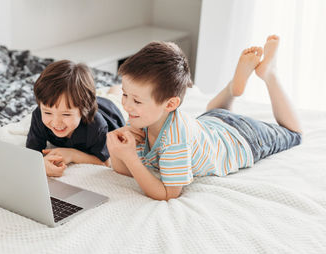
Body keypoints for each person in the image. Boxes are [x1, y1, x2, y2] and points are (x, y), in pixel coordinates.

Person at [106, 35, 302, 201]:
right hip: (211, 122)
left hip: (244, 138)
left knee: (294, 133)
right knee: (213, 110)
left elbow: (168, 194)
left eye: (137, 101)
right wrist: (116, 149)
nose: (127, 105)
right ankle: (233, 88)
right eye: (124, 95)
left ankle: (270, 74)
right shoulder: (143, 117)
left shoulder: (174, 141)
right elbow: (124, 172)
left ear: (170, 104)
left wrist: (131, 158)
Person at [26, 60, 126, 177]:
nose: (56, 122)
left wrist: (72, 154)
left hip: (111, 109)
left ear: (83, 111)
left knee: (115, 96)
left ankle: (116, 87)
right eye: (48, 112)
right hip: (87, 102)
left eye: (66, 114)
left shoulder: (96, 126)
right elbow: (31, 153)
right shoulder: (38, 115)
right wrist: (42, 163)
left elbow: (105, 162)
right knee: (98, 95)